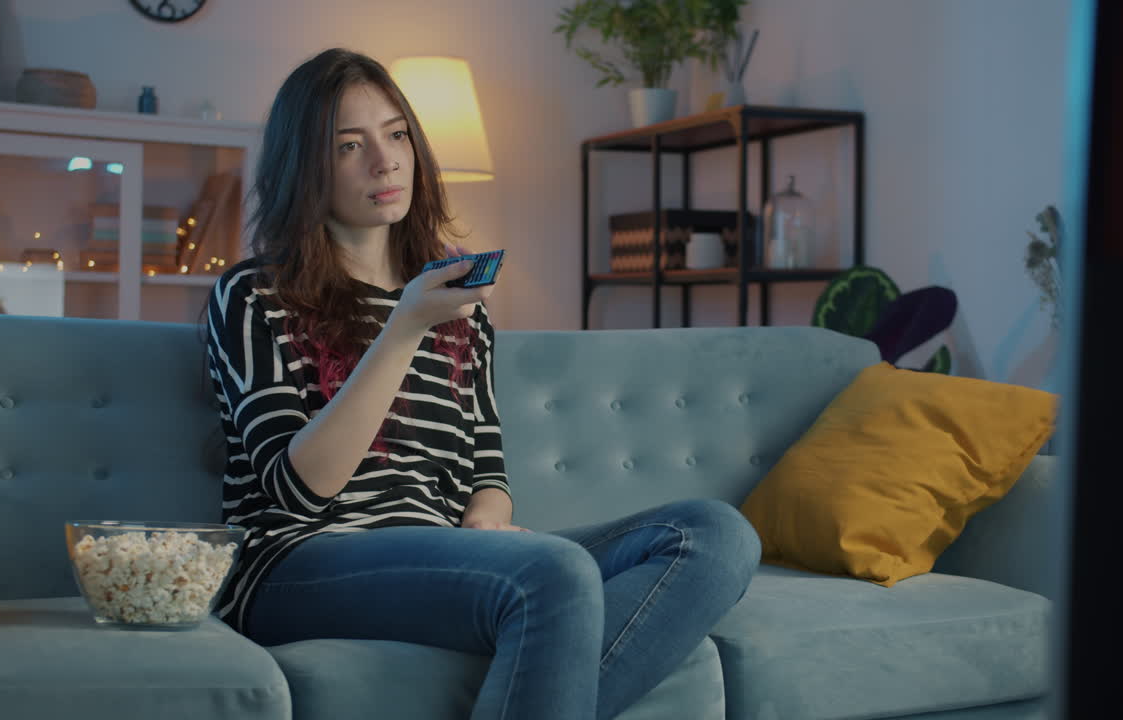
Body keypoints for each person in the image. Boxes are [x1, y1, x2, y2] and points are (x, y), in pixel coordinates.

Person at [204, 47, 761, 720]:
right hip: (299, 564)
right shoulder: (255, 293)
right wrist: (404, 327)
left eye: (396, 134)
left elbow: (485, 468)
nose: (386, 162)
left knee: (714, 534)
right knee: (554, 575)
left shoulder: (459, 303)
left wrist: (487, 525)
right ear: (304, 166)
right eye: (349, 146)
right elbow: (300, 489)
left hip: (444, 552)